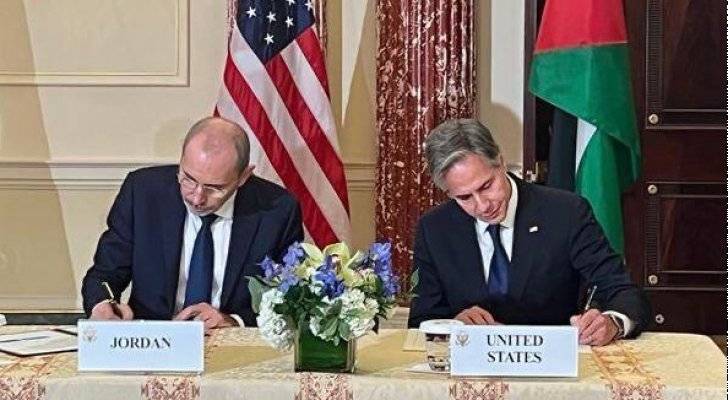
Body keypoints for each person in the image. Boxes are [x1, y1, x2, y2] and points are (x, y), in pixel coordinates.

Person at [408, 119, 651, 346]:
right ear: (448, 193)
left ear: (501, 162)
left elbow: (622, 291)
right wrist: (453, 325)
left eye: (486, 186)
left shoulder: (566, 212)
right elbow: (421, 320)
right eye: (464, 197)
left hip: (553, 362)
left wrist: (612, 323)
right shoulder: (434, 229)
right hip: (469, 364)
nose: (482, 205)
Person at [82, 116, 303, 329]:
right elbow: (104, 274)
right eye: (188, 179)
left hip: (229, 340)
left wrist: (234, 321)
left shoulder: (278, 211)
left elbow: (289, 297)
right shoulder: (142, 192)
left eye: (214, 188)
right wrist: (103, 305)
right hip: (153, 337)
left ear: (243, 176)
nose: (197, 198)